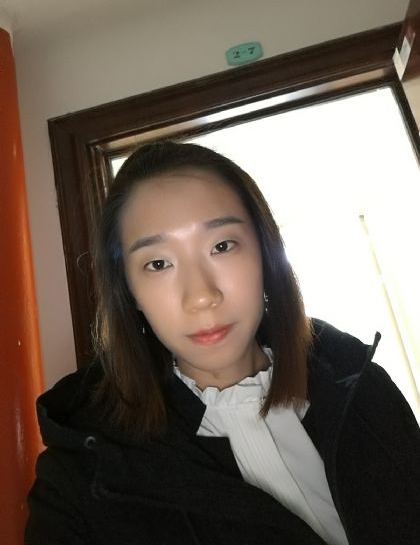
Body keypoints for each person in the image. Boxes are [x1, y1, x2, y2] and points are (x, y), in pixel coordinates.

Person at [25, 141, 419, 545]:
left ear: (265, 252)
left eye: (222, 246)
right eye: (158, 263)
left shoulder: (364, 390)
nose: (201, 296)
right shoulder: (78, 483)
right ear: (129, 291)